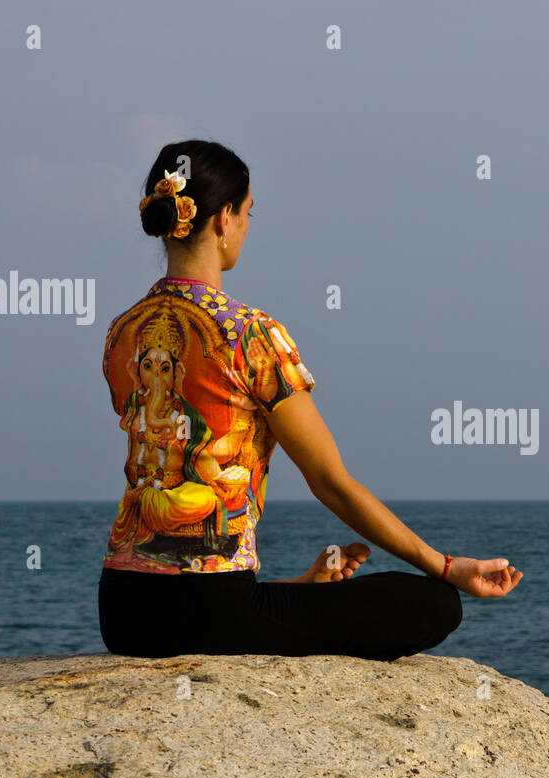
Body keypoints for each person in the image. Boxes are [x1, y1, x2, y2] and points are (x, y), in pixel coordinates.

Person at [98, 140, 522, 661]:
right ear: (224, 219)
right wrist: (446, 564)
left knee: (262, 600)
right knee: (435, 603)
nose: (248, 227)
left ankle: (300, 589)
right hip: (210, 610)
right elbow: (331, 483)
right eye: (249, 213)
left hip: (122, 612)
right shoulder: (252, 335)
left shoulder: (123, 334)